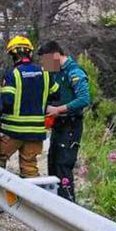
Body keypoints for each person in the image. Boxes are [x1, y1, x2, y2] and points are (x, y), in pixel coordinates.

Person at [0, 35, 57, 179]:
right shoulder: (45, 72)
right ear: (30, 53)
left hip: (12, 131)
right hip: (36, 130)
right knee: (30, 167)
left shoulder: (13, 74)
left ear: (12, 55)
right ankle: (31, 200)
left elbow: (7, 101)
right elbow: (56, 94)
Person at [38, 40, 92, 202]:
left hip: (71, 125)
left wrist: (58, 109)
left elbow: (84, 99)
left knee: (63, 165)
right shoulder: (55, 72)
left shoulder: (74, 72)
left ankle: (68, 204)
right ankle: (55, 204)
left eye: (45, 59)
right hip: (58, 125)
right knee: (53, 163)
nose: (43, 64)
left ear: (55, 55)